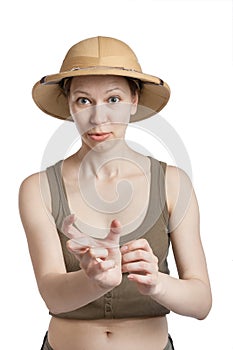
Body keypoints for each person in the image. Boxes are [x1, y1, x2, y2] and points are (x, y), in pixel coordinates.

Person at [19, 36, 212, 350]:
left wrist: (157, 282)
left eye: (113, 99)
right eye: (83, 100)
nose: (98, 119)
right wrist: (94, 279)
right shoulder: (37, 188)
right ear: (69, 104)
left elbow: (201, 302)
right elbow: (51, 293)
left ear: (134, 100)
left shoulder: (173, 183)